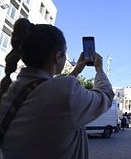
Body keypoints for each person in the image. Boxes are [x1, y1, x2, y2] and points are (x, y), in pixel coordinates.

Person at [0, 18, 114, 159]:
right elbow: (105, 96)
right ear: (58, 56)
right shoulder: (64, 92)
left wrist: (76, 71)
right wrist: (99, 70)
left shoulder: (12, 90)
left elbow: (50, 88)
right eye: (64, 53)